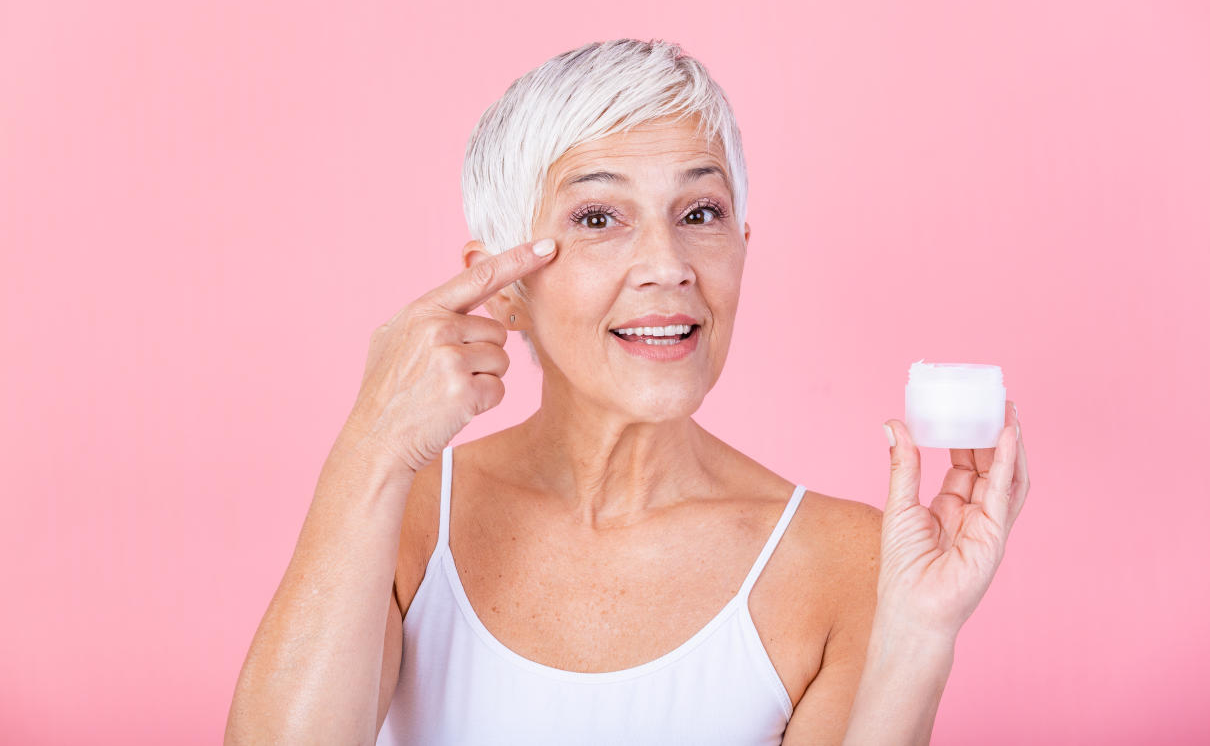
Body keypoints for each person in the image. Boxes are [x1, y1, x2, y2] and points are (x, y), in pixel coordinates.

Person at [224, 39, 1029, 746]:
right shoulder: (403, 522)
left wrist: (920, 635)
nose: (668, 264)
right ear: (498, 283)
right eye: (600, 217)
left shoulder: (851, 560)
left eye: (701, 212)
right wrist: (371, 444)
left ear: (741, 249)